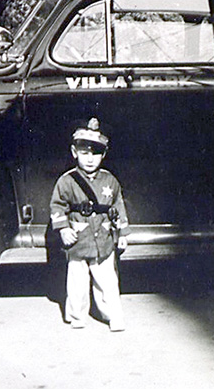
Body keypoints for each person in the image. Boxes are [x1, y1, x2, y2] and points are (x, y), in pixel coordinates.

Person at [49, 118, 129, 331]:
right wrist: (64, 229)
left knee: (107, 281)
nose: (90, 159)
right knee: (77, 282)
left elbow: (118, 205)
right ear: (74, 153)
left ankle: (113, 315)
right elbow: (57, 206)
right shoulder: (67, 181)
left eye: (96, 153)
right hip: (79, 237)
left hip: (103, 238)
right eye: (84, 153)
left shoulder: (110, 180)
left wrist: (122, 233)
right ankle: (77, 315)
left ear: (103, 154)